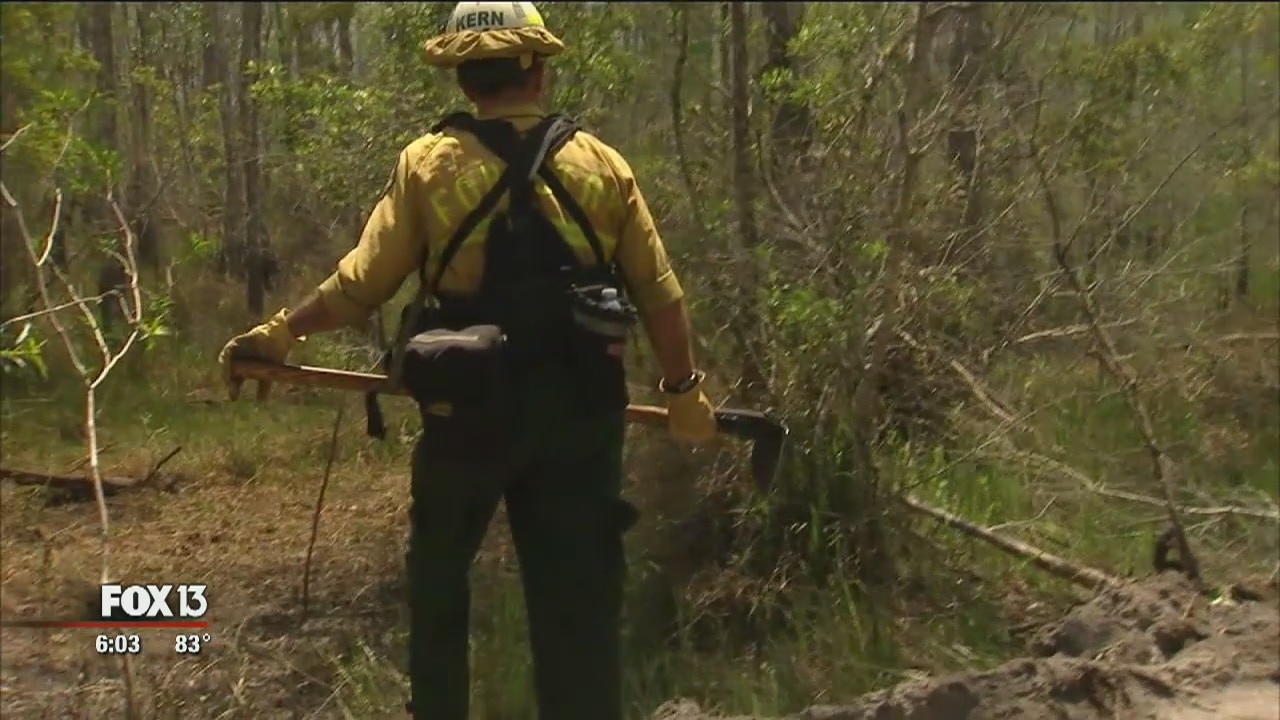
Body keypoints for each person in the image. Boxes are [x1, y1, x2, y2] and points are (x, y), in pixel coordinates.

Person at [216, 3, 717, 718]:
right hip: (580, 418)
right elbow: (660, 296)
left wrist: (281, 332)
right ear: (537, 72)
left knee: (439, 588)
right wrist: (683, 389)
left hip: (465, 415)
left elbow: (360, 287)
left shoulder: (427, 165)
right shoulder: (603, 165)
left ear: (463, 79)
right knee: (578, 605)